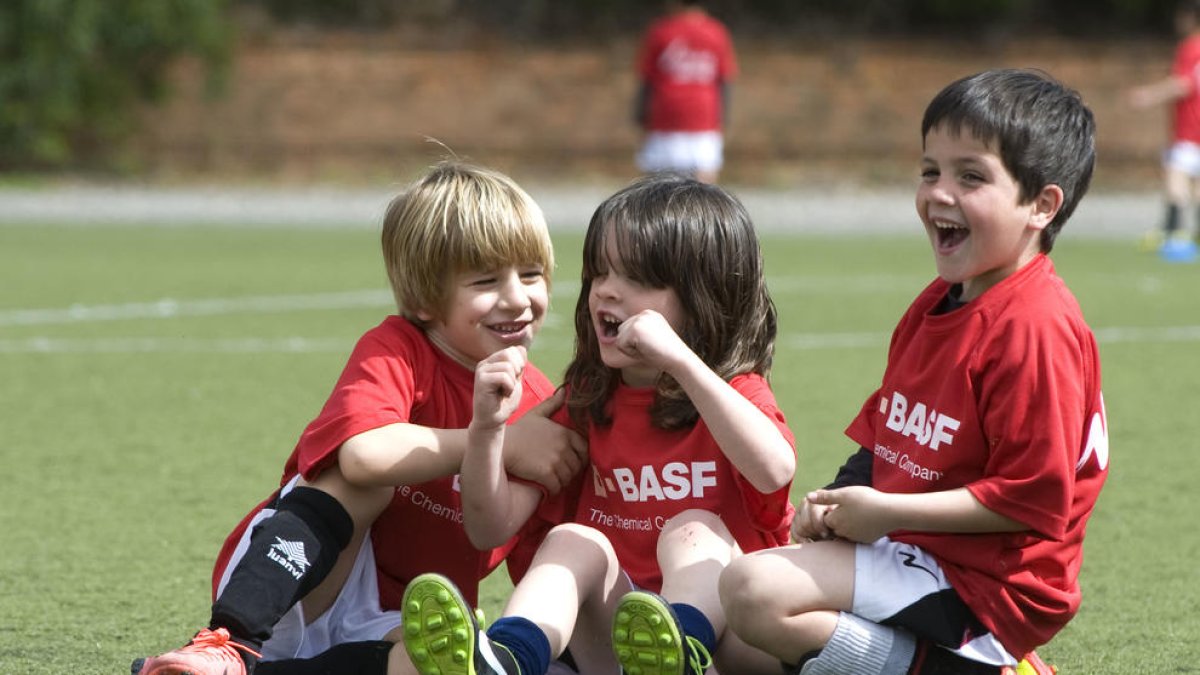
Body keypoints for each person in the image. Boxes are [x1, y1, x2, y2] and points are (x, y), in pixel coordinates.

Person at [718, 68, 1109, 675]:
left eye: (971, 176)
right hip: (914, 551)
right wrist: (833, 503)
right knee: (738, 644)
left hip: (990, 584)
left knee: (754, 592)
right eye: (931, 171)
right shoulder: (936, 301)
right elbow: (889, 435)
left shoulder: (1036, 325)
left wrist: (889, 513)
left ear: (1041, 204)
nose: (939, 193)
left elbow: (1034, 499)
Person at [131, 161, 587, 675]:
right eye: (485, 280)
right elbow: (364, 455)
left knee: (442, 662)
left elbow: (514, 542)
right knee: (359, 482)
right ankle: (225, 646)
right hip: (303, 589)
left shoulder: (543, 406)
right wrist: (496, 441)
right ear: (422, 299)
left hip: (401, 614)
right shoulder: (398, 348)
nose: (516, 298)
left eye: (531, 275)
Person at [400, 173, 796, 675]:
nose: (608, 291)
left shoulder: (733, 395)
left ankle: (682, 652)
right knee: (572, 539)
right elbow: (487, 528)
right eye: (599, 273)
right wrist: (487, 429)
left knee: (692, 528)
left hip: (730, 646)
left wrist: (681, 361)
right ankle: (504, 660)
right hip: (622, 648)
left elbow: (775, 471)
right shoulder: (586, 402)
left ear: (704, 300)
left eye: (638, 279)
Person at [634, 0, 738, 184]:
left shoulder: (661, 31)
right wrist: (724, 117)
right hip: (704, 115)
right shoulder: (716, 31)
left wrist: (640, 114)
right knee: (704, 185)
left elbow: (647, 80)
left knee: (656, 188)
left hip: (664, 116)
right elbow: (725, 80)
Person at [1129, 0, 1200, 260]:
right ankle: (1187, 236)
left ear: (1190, 17)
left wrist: (1148, 96)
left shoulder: (1191, 47)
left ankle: (1175, 236)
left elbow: (1183, 83)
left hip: (1190, 130)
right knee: (1195, 187)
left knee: (1176, 181)